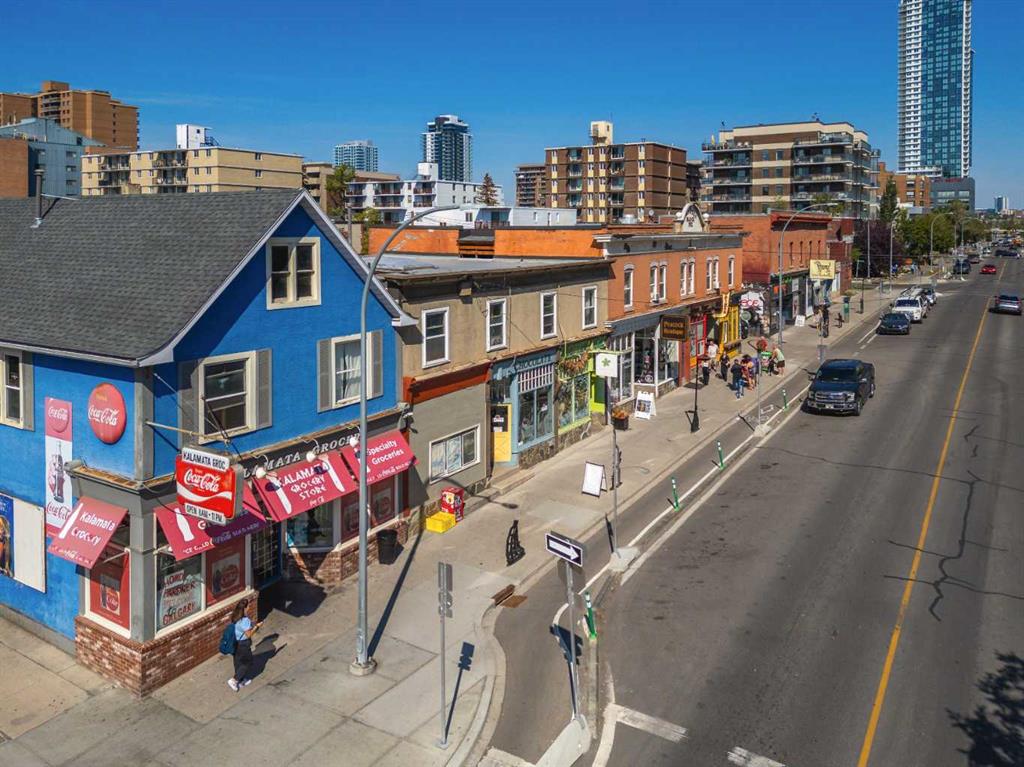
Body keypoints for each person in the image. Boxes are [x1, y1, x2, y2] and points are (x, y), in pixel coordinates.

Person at [228, 599, 263, 691]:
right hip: (243, 644)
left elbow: (240, 627)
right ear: (245, 608)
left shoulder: (235, 616)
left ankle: (241, 680)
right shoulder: (244, 620)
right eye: (248, 606)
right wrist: (257, 627)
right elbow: (249, 634)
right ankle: (234, 680)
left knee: (238, 662)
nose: (249, 607)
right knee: (248, 662)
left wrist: (252, 624)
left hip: (235, 642)